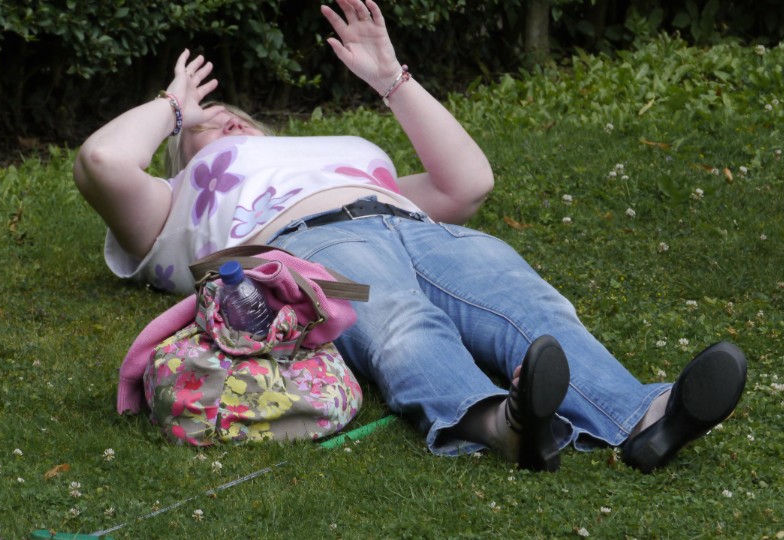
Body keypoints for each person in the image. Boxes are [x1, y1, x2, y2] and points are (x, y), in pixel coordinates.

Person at [73, 0, 748, 472]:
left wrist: (390, 80)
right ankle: (500, 423)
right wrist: (174, 107)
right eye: (205, 124)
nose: (222, 121)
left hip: (415, 227)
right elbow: (102, 161)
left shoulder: (332, 155)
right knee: (399, 321)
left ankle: (646, 416)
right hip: (310, 254)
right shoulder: (179, 202)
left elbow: (468, 183)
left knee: (530, 307)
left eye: (230, 114)